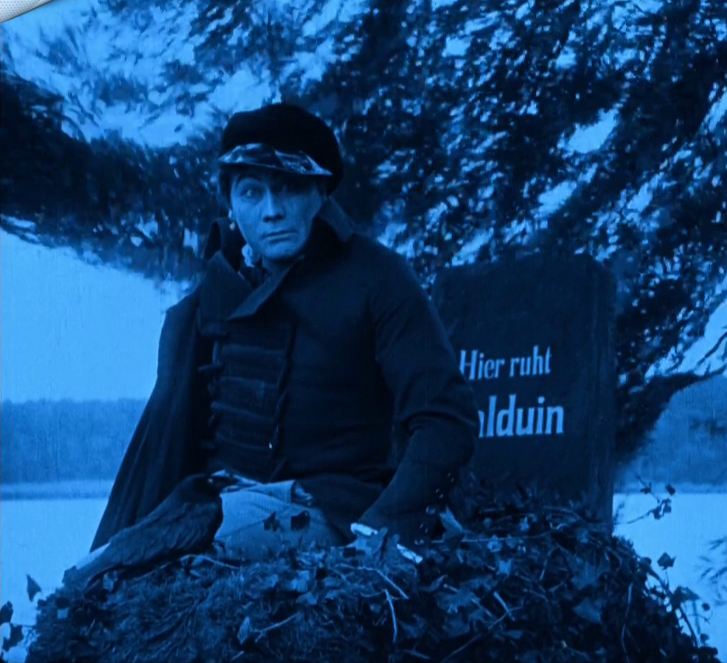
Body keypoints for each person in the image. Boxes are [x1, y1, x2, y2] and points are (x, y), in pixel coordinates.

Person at [90, 103, 480, 562]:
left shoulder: (379, 279)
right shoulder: (214, 294)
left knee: (177, 550)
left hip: (332, 505)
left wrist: (384, 529)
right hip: (215, 498)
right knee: (98, 569)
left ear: (320, 192)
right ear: (231, 205)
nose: (272, 211)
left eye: (289, 188)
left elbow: (445, 418)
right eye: (252, 192)